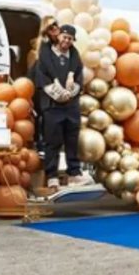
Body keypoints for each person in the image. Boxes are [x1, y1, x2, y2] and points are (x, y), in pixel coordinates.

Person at [36, 24, 93, 193]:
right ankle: (52, 176)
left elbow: (78, 80)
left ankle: (74, 173)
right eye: (64, 37)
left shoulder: (74, 59)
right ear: (58, 36)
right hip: (52, 106)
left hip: (71, 106)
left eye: (70, 39)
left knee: (72, 140)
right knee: (52, 142)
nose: (66, 41)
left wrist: (70, 92)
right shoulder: (46, 57)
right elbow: (42, 79)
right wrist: (58, 94)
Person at [27, 16, 62, 151]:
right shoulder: (46, 44)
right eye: (52, 26)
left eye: (56, 25)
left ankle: (44, 143)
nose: (55, 28)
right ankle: (42, 144)